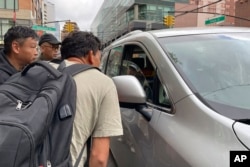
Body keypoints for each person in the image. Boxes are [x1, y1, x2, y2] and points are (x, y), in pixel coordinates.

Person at [52, 31, 123, 167]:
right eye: (99, 57)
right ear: (91, 55)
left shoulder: (36, 70)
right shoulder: (103, 83)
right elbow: (99, 157)